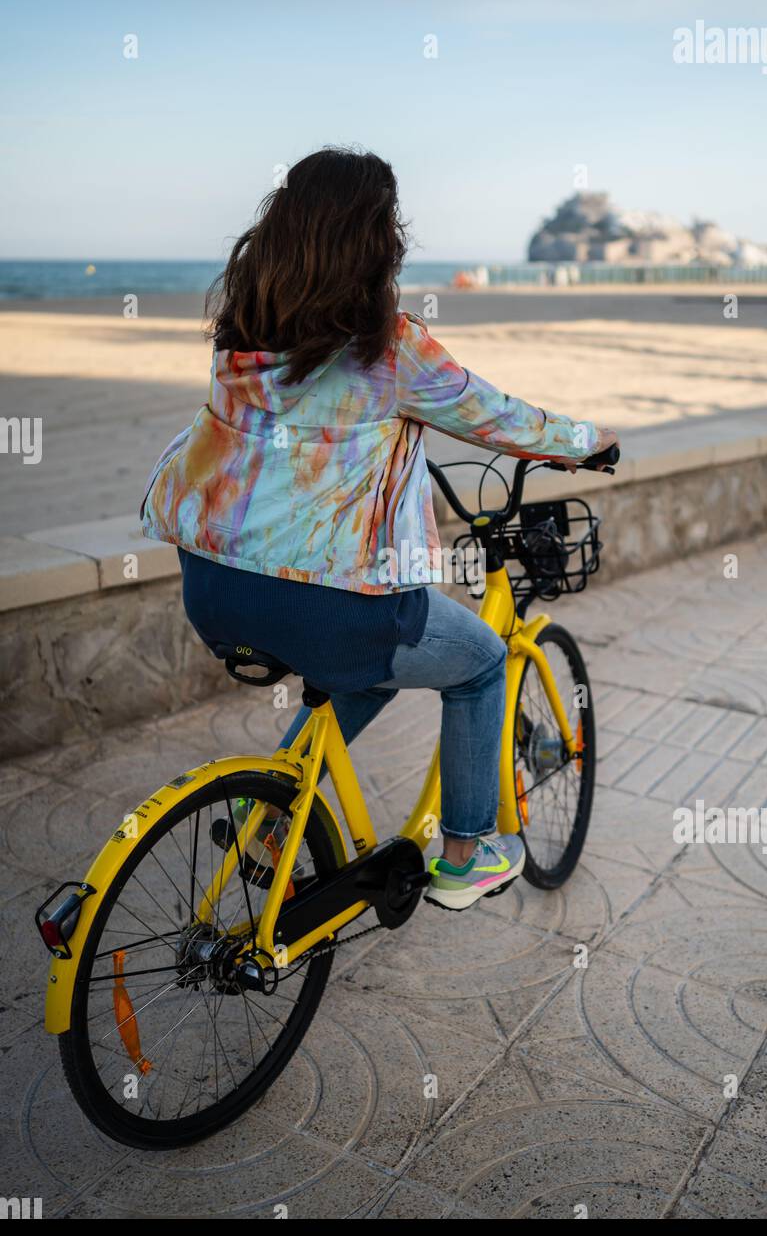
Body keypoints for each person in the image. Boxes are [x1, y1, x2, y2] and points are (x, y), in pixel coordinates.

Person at [141, 148, 616, 910]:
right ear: (374, 241)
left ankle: (269, 822)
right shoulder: (391, 348)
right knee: (482, 661)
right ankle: (464, 853)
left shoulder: (241, 336)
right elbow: (496, 416)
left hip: (213, 588)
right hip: (329, 605)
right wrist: (588, 439)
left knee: (372, 664)